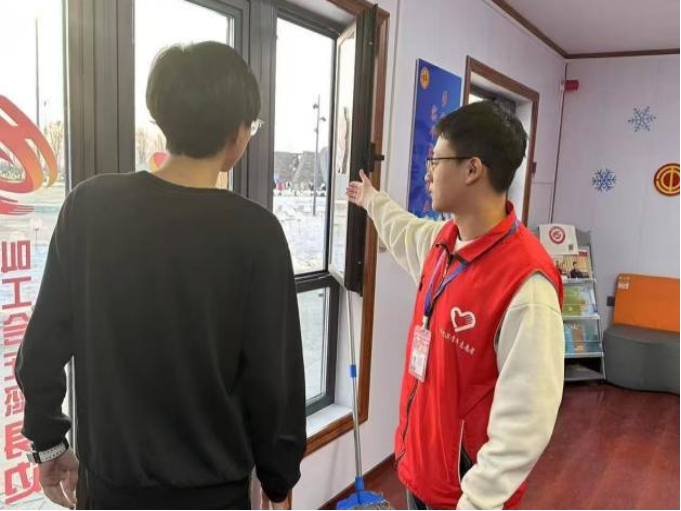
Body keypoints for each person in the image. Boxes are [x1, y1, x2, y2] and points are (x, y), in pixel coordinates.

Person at [16, 42, 306, 511]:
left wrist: (49, 442)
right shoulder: (257, 234)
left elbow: (41, 350)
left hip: (108, 491)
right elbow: (276, 385)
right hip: (213, 498)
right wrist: (278, 481)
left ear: (163, 117)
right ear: (237, 134)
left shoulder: (89, 208)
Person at [347, 101, 565, 510]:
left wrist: (476, 502)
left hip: (465, 495)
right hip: (420, 469)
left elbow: (526, 423)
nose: (427, 173)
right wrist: (372, 199)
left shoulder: (528, 285)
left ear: (472, 169)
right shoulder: (442, 243)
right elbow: (401, 228)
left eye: (436, 160)